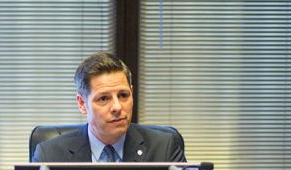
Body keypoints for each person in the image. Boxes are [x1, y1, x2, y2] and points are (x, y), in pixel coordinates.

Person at [32, 51, 186, 163]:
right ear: (82, 104)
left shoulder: (164, 149)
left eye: (123, 95)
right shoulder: (50, 156)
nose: (117, 107)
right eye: (104, 98)